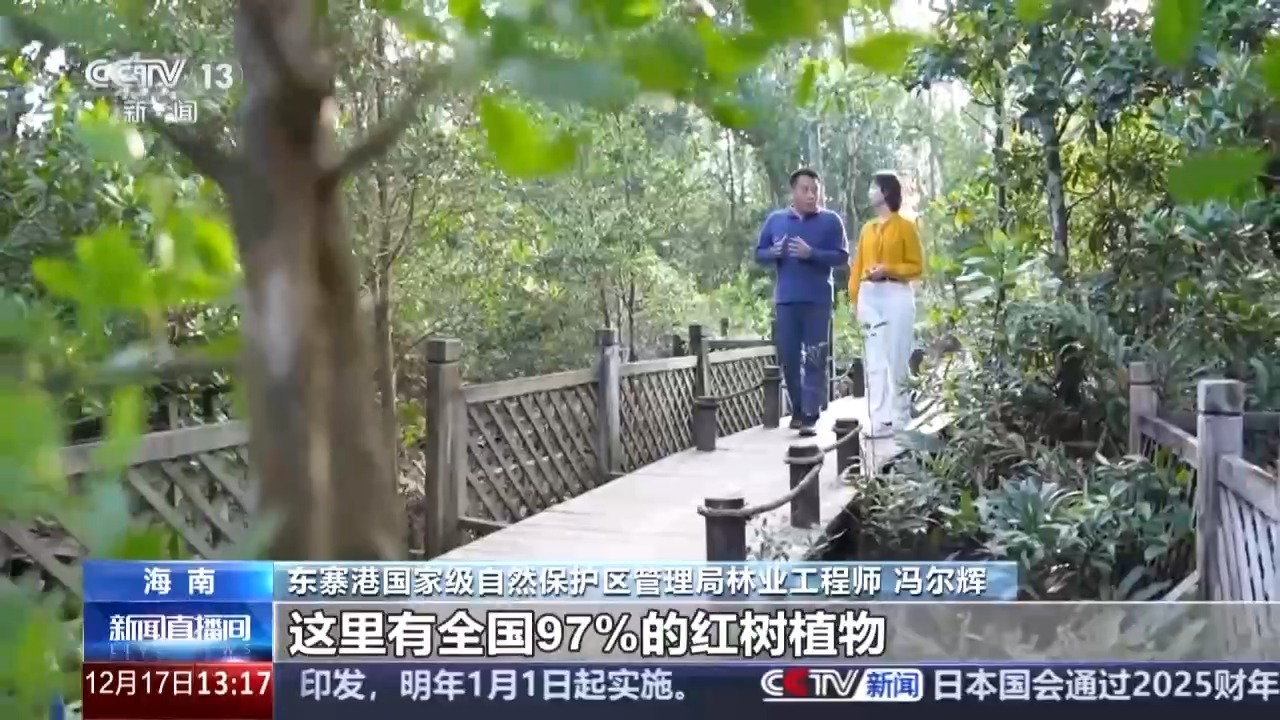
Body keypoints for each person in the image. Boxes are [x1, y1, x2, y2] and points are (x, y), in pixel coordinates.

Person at [755, 168, 849, 437]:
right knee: (789, 357)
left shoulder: (830, 221)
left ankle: (810, 415)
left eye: (815, 190)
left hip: (818, 300)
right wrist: (773, 252)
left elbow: (842, 257)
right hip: (786, 300)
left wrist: (812, 254)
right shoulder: (776, 221)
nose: (811, 195)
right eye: (805, 190)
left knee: (816, 356)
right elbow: (759, 253)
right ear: (793, 192)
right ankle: (797, 409)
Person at [849, 171, 923, 436]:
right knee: (874, 360)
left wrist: (889, 269)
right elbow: (858, 266)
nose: (871, 191)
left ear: (887, 192)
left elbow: (916, 266)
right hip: (870, 295)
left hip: (896, 293)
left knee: (897, 356)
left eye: (875, 187)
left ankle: (901, 418)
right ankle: (879, 420)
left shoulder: (905, 227)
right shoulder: (867, 229)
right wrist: (855, 298)